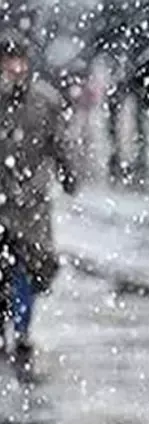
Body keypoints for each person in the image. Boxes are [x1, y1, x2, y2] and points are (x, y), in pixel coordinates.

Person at [0, 31, 76, 379]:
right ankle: (6, 327)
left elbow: (59, 144)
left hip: (31, 202)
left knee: (31, 267)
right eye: (7, 61)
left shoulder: (45, 99)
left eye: (18, 61)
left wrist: (68, 174)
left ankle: (24, 328)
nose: (14, 68)